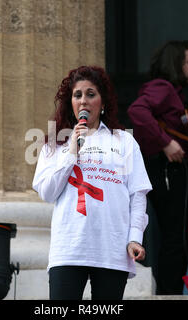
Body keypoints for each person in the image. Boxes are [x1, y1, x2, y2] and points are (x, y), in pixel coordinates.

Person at [32, 65, 152, 300]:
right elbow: (47, 192)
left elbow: (137, 195)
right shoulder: (55, 144)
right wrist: (71, 152)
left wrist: (134, 238)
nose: (84, 101)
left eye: (91, 94)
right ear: (71, 103)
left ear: (103, 102)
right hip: (69, 247)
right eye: (78, 95)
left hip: (112, 247)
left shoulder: (124, 141)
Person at [127, 40, 188, 295]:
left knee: (174, 236)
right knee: (175, 238)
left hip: (170, 169)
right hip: (168, 172)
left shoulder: (171, 92)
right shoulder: (163, 87)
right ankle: (170, 293)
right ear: (175, 63)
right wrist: (166, 143)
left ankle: (169, 291)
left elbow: (173, 133)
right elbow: (137, 111)